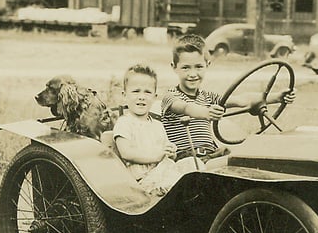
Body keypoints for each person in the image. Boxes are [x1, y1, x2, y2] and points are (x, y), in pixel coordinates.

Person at [161, 33, 295, 168]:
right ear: (174, 67)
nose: (193, 74)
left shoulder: (208, 97)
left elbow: (243, 100)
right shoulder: (171, 97)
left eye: (198, 67)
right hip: (187, 159)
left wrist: (277, 97)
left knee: (250, 156)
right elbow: (186, 108)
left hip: (212, 154)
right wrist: (206, 112)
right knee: (240, 164)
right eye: (185, 67)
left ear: (207, 64)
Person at [112, 64, 181, 196]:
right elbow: (126, 153)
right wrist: (157, 156)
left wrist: (170, 151)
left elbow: (166, 153)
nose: (142, 97)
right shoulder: (125, 123)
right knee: (178, 183)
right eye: (136, 91)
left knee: (192, 167)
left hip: (163, 171)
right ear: (124, 95)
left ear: (154, 97)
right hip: (143, 180)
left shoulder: (157, 125)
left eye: (147, 92)